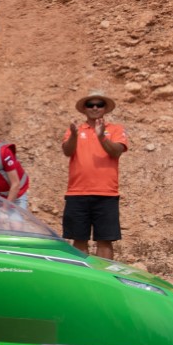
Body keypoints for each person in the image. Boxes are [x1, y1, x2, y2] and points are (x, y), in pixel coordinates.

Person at [61, 92, 129, 259]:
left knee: (105, 241)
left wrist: (102, 137)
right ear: (84, 109)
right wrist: (74, 136)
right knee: (79, 239)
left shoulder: (115, 129)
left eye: (99, 104)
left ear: (105, 108)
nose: (95, 107)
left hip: (106, 193)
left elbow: (116, 152)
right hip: (77, 193)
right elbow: (67, 151)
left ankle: (103, 279)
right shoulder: (75, 130)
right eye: (90, 104)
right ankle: (80, 280)